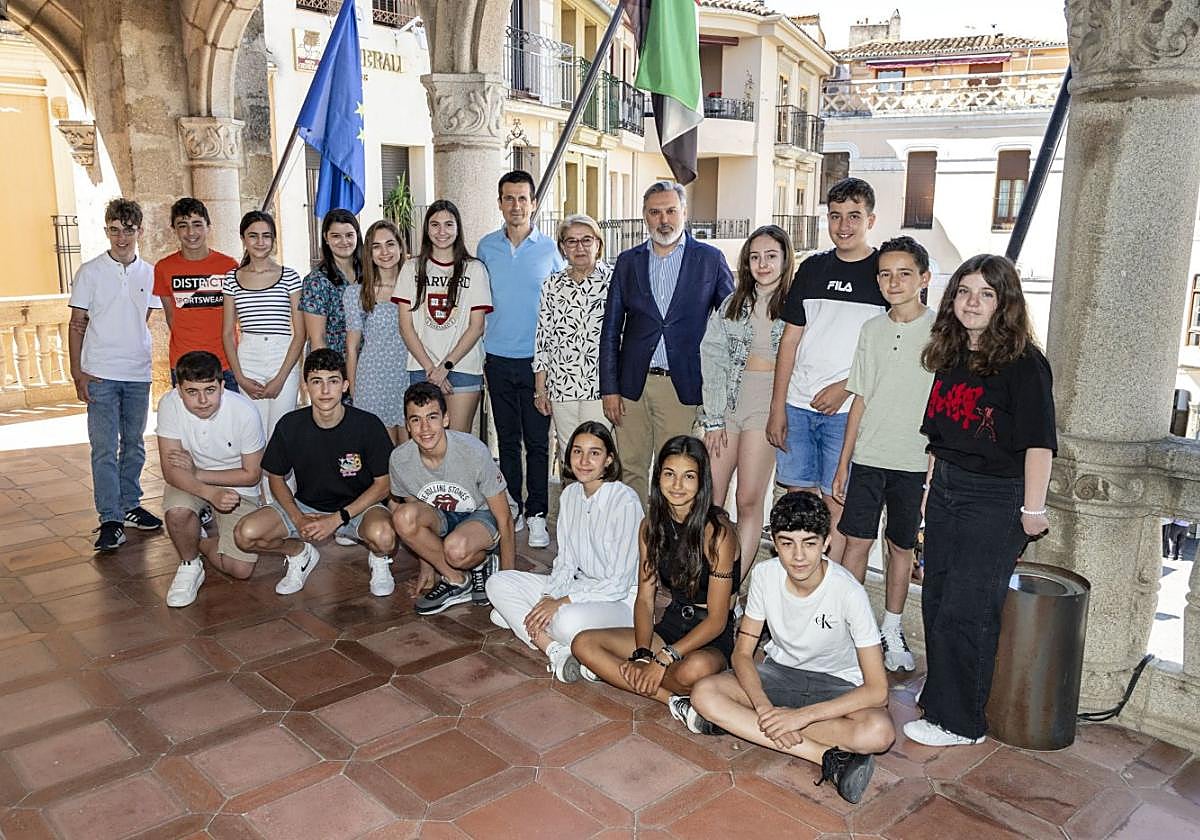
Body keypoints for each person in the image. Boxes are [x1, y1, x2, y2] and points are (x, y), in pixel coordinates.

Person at [903, 254, 1056, 747]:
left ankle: (961, 723)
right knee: (937, 597)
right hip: (948, 487)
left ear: (1004, 303)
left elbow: (1039, 443)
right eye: (965, 291)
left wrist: (1032, 511)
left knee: (967, 609)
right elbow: (938, 439)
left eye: (986, 293)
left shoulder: (1026, 364)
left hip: (996, 498)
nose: (972, 302)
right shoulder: (952, 354)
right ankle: (942, 699)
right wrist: (929, 496)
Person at [687, 492, 895, 805]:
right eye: (787, 543)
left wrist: (798, 718)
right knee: (703, 692)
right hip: (780, 675)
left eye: (809, 543)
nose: (798, 556)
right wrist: (764, 708)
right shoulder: (764, 576)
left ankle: (738, 724)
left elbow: (878, 690)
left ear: (826, 543)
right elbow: (742, 653)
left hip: (835, 683)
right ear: (775, 543)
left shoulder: (848, 591)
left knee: (879, 733)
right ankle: (826, 758)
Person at [571, 435, 738, 724]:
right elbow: (646, 600)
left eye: (688, 477)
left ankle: (619, 673)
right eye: (669, 474)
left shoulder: (719, 533)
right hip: (672, 624)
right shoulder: (650, 527)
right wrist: (642, 654)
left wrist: (662, 659)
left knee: (692, 671)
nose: (677, 485)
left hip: (709, 634)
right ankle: (675, 701)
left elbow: (718, 620)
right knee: (583, 644)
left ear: (702, 482)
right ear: (658, 476)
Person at [766, 178, 888, 562]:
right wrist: (777, 407)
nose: (843, 225)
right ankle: (795, 597)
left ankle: (827, 603)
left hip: (848, 413)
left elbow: (889, 351)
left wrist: (846, 388)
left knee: (838, 507)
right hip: (798, 408)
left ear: (871, 219)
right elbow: (790, 341)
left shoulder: (884, 273)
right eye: (835, 216)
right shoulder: (812, 268)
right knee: (797, 507)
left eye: (854, 216)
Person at [830, 236, 935, 673]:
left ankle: (892, 628)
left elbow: (943, 409)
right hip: (869, 456)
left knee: (900, 547)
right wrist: (844, 462)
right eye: (886, 274)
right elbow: (859, 398)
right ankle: (852, 633)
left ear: (924, 279)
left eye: (904, 273)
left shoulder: (941, 333)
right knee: (856, 542)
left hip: (913, 460)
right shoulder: (871, 330)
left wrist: (932, 473)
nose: (894, 281)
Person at [599, 182, 734, 505]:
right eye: (655, 212)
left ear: (684, 213)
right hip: (633, 386)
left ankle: (671, 547)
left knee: (677, 472)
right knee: (629, 467)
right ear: (644, 216)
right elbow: (611, 328)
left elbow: (732, 323)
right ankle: (633, 544)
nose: (664, 220)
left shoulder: (710, 260)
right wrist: (609, 388)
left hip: (682, 386)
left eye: (671, 210)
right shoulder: (628, 261)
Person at [233, 349, 398, 597]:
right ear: (305, 386)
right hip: (307, 507)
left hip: (357, 508)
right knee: (245, 535)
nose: (324, 391)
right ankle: (299, 554)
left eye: (332, 381)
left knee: (384, 537)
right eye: (316, 382)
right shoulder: (290, 425)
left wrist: (337, 519)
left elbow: (383, 485)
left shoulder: (368, 425)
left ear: (345, 385)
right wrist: (297, 517)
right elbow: (276, 477)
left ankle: (379, 560)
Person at [486, 421, 642, 681]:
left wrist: (559, 603)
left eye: (595, 453)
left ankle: (526, 623)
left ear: (609, 460)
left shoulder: (625, 501)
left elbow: (618, 584)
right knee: (498, 583)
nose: (584, 460)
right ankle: (556, 650)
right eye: (577, 451)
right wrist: (547, 598)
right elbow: (566, 563)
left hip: (620, 601)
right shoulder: (570, 495)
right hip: (578, 590)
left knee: (564, 620)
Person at [68, 197, 164, 552]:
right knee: (105, 448)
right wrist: (78, 373)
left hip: (137, 373)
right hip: (100, 375)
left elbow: (142, 319)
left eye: (128, 230)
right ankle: (110, 517)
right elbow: (77, 323)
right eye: (114, 230)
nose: (121, 237)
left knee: (136, 445)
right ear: (106, 230)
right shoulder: (90, 272)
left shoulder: (150, 272)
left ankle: (130, 505)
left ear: (140, 230)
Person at [699, 224, 794, 576]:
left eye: (771, 256)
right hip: (728, 405)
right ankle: (706, 578)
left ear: (785, 259)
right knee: (711, 501)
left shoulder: (796, 305)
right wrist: (713, 417)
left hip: (766, 408)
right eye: (755, 257)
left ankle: (732, 584)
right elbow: (712, 356)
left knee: (748, 500)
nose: (763, 264)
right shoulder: (733, 304)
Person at [478, 171, 566, 548]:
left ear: (534, 203)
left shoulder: (550, 251)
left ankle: (538, 514)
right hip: (497, 358)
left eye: (522, 199)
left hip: (538, 365)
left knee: (538, 443)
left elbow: (562, 304)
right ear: (500, 202)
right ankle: (511, 505)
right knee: (507, 441)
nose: (516, 205)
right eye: (509, 198)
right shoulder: (485, 247)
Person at [390, 382, 517, 614]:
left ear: (446, 419)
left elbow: (505, 519)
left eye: (432, 417)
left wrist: (509, 586)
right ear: (408, 425)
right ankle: (457, 580)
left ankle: (481, 560)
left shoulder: (473, 451)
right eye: (416, 419)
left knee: (456, 550)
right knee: (402, 517)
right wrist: (428, 570)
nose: (425, 428)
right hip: (443, 516)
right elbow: (417, 518)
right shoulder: (400, 460)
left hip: (482, 511)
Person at [156, 351, 265, 607]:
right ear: (179, 390)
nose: (203, 400)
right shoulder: (169, 404)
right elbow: (171, 471)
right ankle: (189, 563)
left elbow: (251, 475)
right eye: (192, 392)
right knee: (177, 513)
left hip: (235, 484)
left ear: (222, 386)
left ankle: (201, 542)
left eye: (210, 390)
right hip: (189, 480)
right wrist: (209, 492)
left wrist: (199, 474)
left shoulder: (244, 411)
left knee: (240, 569)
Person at [394, 201, 492, 433]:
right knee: (426, 440)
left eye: (449, 224)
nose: (442, 231)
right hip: (422, 368)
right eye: (435, 224)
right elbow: (405, 326)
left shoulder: (474, 269)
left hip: (463, 367)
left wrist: (445, 367)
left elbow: (476, 326)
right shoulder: (411, 268)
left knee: (458, 442)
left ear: (458, 229)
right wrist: (431, 369)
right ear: (427, 229)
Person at [221, 210, 305, 467]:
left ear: (273, 240)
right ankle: (257, 496)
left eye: (266, 236)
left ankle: (280, 498)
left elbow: (299, 333)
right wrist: (241, 378)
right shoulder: (231, 279)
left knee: (281, 432)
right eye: (253, 236)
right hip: (249, 355)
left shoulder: (289, 276)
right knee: (254, 433)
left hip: (283, 354)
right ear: (243, 239)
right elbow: (227, 333)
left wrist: (282, 377)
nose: (260, 242)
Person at [534, 213, 613, 459]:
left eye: (586, 240)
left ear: (598, 244)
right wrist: (540, 389)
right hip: (561, 387)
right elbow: (542, 338)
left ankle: (602, 500)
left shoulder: (614, 282)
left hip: (600, 387)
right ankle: (574, 499)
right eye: (571, 241)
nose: (579, 247)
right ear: (562, 248)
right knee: (570, 454)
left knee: (599, 452)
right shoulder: (551, 285)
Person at [153, 197, 240, 391]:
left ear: (208, 227)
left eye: (197, 224)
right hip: (183, 364)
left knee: (229, 421)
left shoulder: (229, 266)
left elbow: (235, 316)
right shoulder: (164, 268)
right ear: (174, 229)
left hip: (224, 363)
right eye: (183, 225)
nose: (191, 232)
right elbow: (171, 317)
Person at [345, 219, 410, 444]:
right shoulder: (357, 293)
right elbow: (352, 347)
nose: (384, 252)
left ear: (401, 247)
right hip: (372, 382)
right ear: (368, 253)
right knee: (383, 458)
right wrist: (355, 391)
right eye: (376, 246)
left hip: (409, 377)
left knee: (412, 455)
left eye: (390, 244)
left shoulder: (416, 287)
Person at [301, 208, 362, 356]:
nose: (344, 241)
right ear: (326, 238)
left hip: (370, 363)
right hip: (334, 363)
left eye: (349, 235)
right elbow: (317, 339)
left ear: (357, 236)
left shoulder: (369, 274)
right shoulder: (317, 281)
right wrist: (330, 376)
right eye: (336, 236)